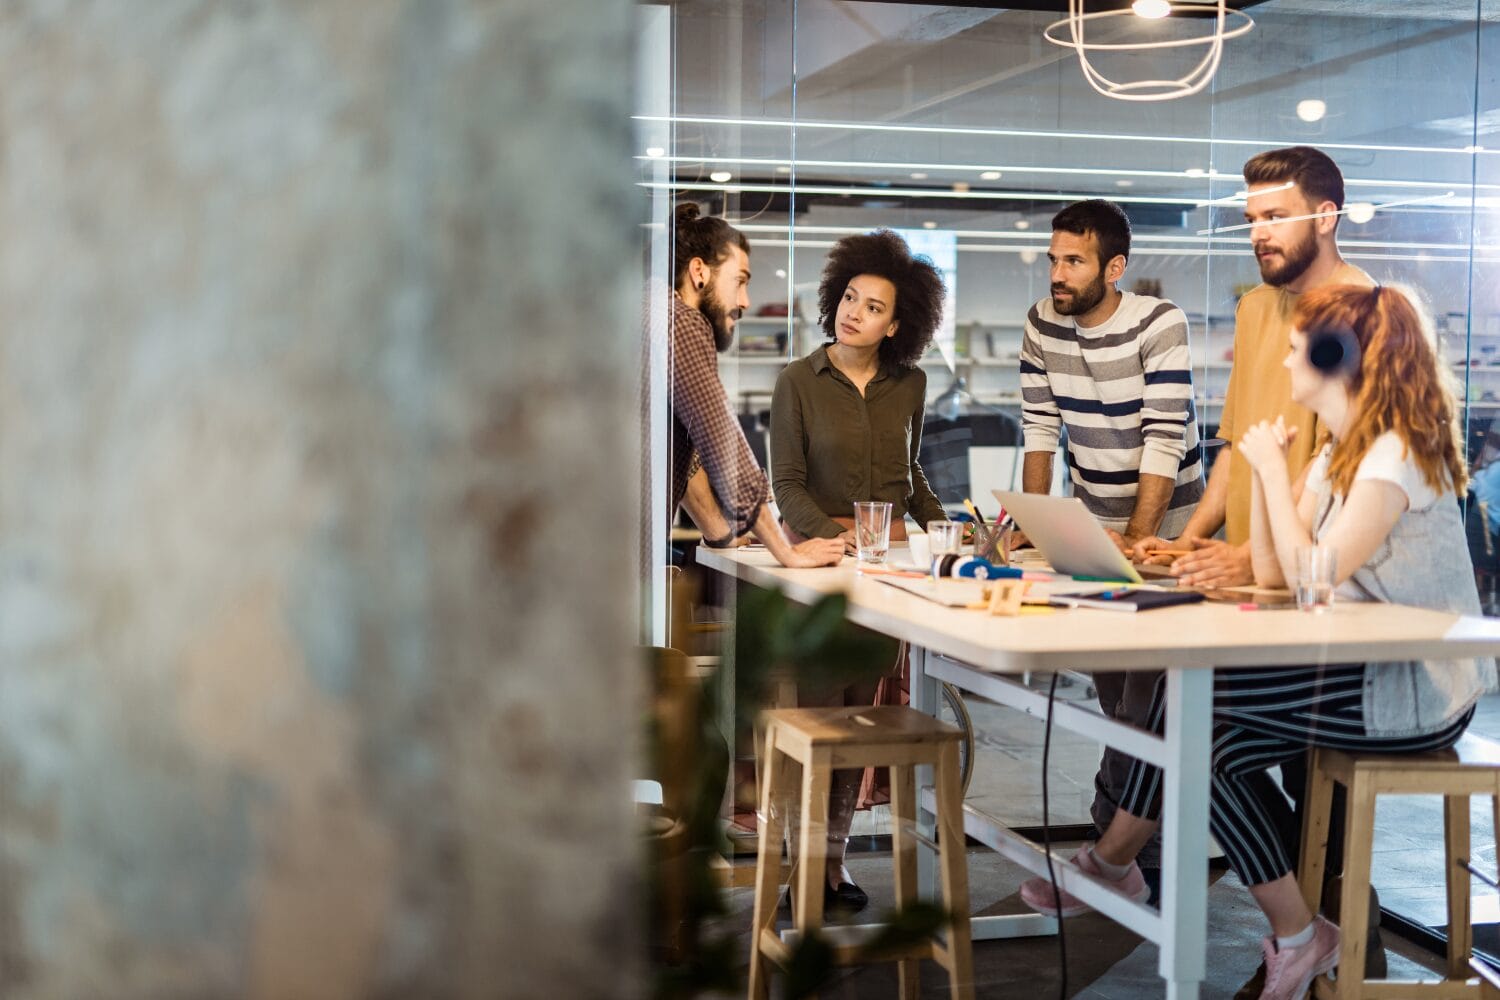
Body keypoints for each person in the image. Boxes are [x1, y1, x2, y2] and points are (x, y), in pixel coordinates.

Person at [1021, 284, 1494, 1000]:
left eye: (1301, 344)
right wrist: (1269, 495)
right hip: (1357, 666)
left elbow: (1314, 576)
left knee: (1194, 725)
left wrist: (1271, 474)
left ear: (1339, 358)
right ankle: (1296, 932)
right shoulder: (1340, 449)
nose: (1283, 355)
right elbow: (1277, 568)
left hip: (1414, 687)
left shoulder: (1394, 455)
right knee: (1198, 729)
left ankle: (1117, 862)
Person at [1017, 198, 1204, 896]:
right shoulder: (1042, 322)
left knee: (1145, 695)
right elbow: (1039, 427)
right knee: (1112, 692)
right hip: (1090, 527)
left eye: (1074, 260)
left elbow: (1164, 435)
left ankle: (1120, 854)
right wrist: (1036, 525)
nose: (1058, 273)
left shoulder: (1161, 324)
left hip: (1170, 528)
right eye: (1054, 257)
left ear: (1114, 267)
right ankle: (1120, 852)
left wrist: (1143, 538)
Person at [768, 229, 949, 913]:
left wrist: (947, 527)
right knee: (818, 722)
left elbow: (911, 475)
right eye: (850, 298)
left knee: (857, 728)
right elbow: (786, 487)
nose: (854, 313)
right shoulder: (798, 382)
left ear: (897, 325)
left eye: (873, 307)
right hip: (819, 572)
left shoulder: (911, 386)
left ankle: (833, 867)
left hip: (885, 573)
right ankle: (799, 869)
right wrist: (834, 540)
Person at [1132, 146, 1374, 587]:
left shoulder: (1362, 308)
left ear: (1325, 218)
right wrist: (1189, 541)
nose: (1257, 235)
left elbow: (1330, 461)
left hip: (1306, 574)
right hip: (1239, 568)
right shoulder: (1255, 307)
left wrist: (1253, 558)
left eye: (1276, 218)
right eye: (1252, 221)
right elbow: (1234, 444)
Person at [663, 203, 844, 569]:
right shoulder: (680, 323)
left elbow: (683, 455)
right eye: (740, 281)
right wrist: (786, 552)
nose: (744, 301)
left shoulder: (651, 313)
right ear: (699, 271)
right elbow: (722, 444)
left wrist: (722, 534)